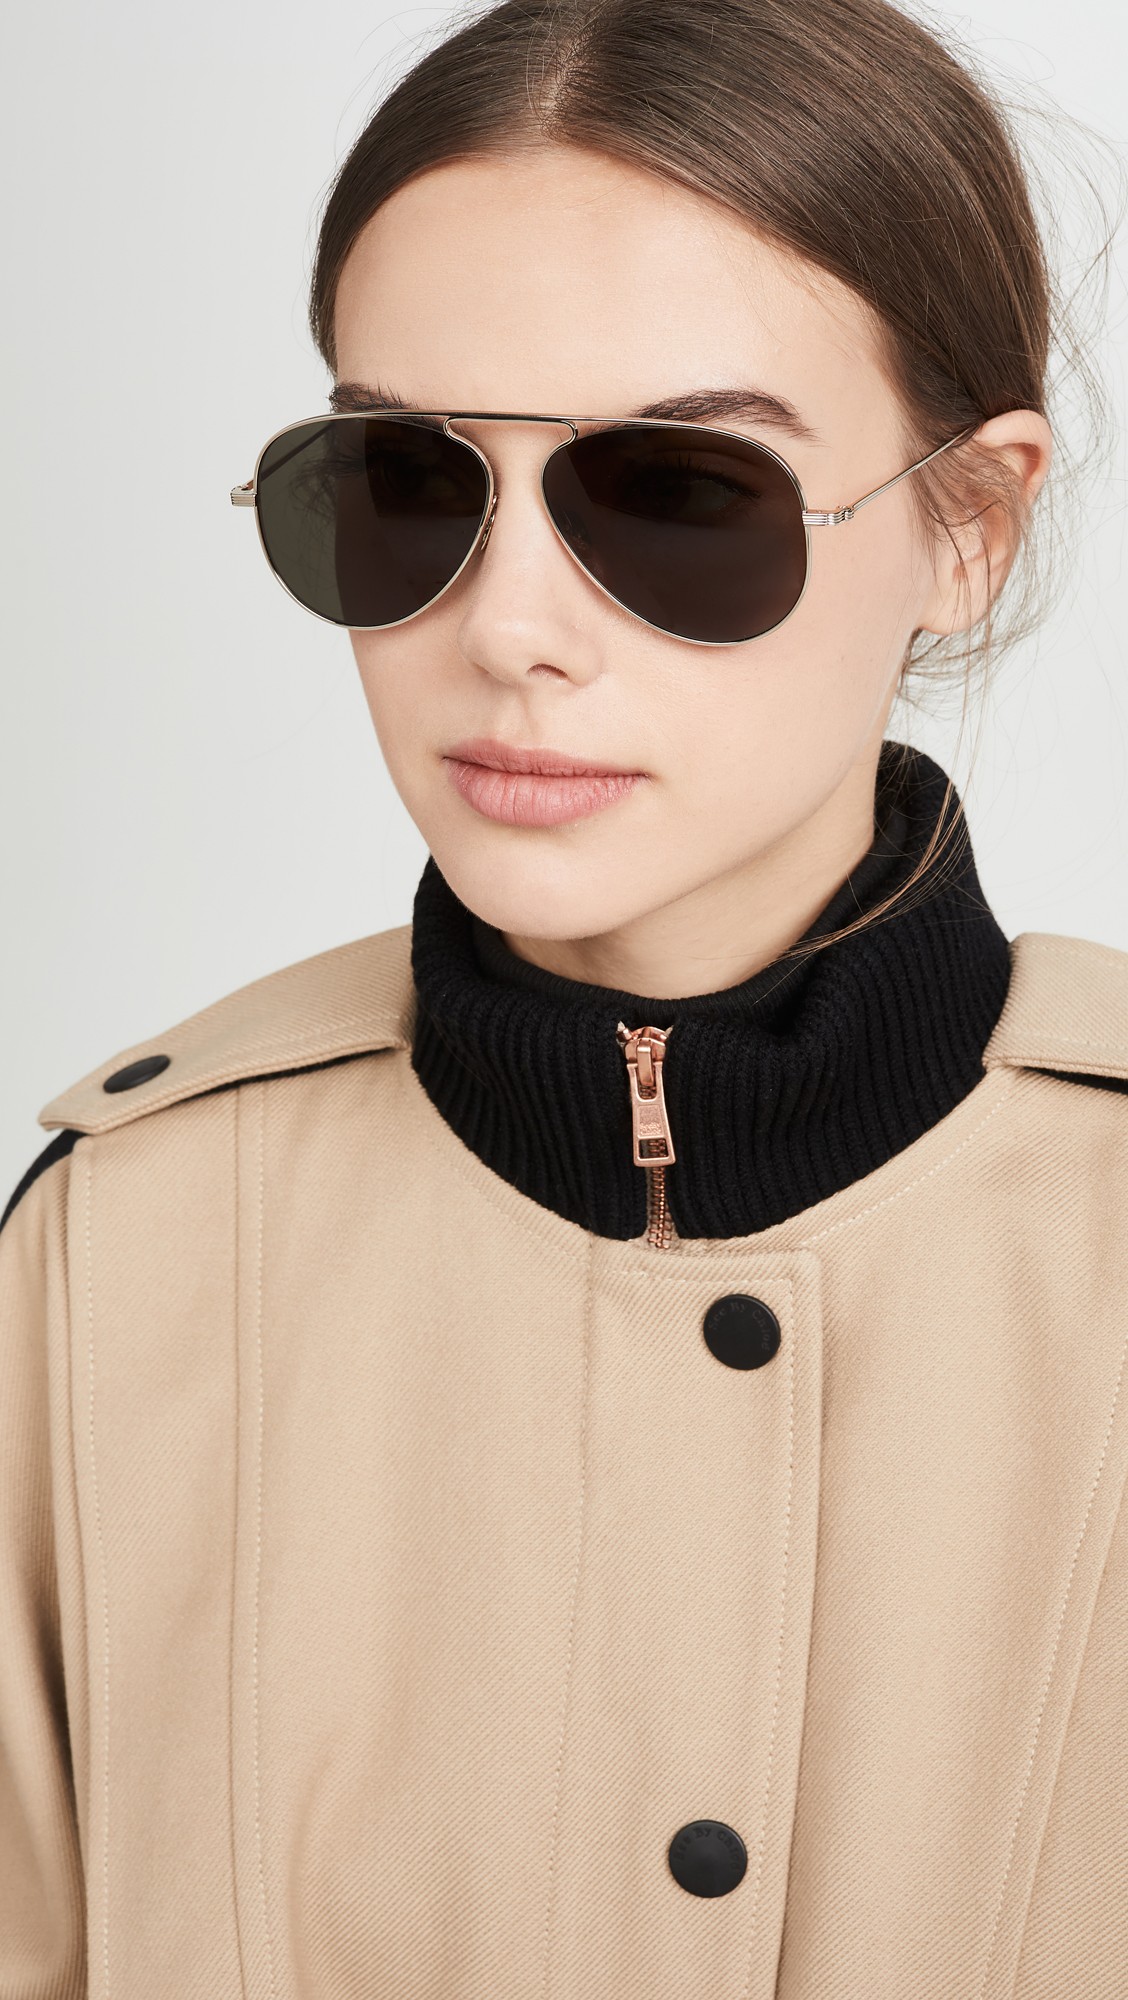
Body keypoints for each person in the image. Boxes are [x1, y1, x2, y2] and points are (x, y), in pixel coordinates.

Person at [2, 1, 1125, 1995]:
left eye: (680, 493)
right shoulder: (118, 1267)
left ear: (969, 523)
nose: (506, 628)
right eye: (405, 479)